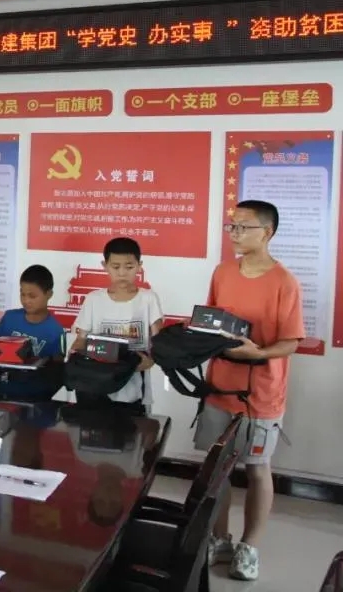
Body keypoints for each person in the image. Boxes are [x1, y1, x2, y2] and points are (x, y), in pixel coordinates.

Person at [195, 200, 303, 582]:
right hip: (219, 387)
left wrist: (258, 353)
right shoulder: (223, 272)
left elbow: (290, 342)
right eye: (232, 226)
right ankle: (220, 538)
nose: (235, 234)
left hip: (261, 395)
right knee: (217, 469)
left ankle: (249, 546)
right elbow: (209, 322)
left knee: (257, 469)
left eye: (243, 227)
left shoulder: (284, 282)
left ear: (267, 232)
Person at [69, 237, 162, 412]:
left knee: (134, 429)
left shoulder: (148, 299)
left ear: (139, 266)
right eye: (116, 267)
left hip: (133, 388)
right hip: (96, 386)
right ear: (105, 266)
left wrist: (150, 361)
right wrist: (76, 358)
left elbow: (159, 342)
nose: (122, 273)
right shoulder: (93, 299)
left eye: (129, 267)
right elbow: (80, 340)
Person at [0, 264, 65, 400]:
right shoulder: (9, 317)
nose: (26, 300)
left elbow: (57, 373)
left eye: (32, 296)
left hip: (35, 399)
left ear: (49, 294)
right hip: (2, 394)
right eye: (22, 294)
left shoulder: (56, 331)